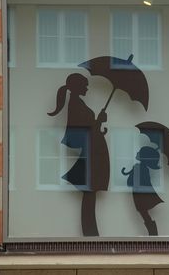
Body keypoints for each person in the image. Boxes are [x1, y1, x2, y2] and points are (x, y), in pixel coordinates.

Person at [48, 73, 110, 236]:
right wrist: (97, 122)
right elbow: (82, 131)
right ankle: (90, 233)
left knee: (90, 194)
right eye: (85, 85)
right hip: (90, 156)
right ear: (77, 86)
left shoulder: (77, 103)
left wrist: (98, 123)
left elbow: (87, 130)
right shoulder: (76, 104)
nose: (87, 88)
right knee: (90, 194)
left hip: (92, 154)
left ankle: (90, 232)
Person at [121, 146, 163, 235]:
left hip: (140, 197)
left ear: (143, 156)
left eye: (139, 152)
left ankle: (153, 234)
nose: (137, 153)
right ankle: (153, 234)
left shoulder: (139, 168)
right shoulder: (142, 168)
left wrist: (134, 172)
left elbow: (131, 183)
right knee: (145, 215)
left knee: (144, 214)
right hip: (141, 196)